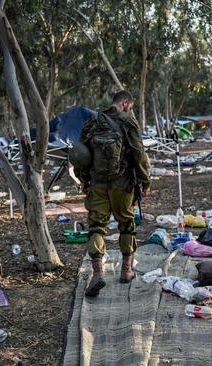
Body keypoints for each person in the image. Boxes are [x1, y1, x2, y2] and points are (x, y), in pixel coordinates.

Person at [75, 90, 151, 297]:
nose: (130, 110)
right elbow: (138, 153)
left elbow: (81, 154)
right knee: (126, 223)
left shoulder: (93, 121)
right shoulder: (128, 122)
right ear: (125, 103)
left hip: (98, 184)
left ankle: (97, 273)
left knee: (97, 227)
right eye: (131, 107)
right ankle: (126, 270)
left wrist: (83, 180)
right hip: (123, 183)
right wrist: (145, 181)